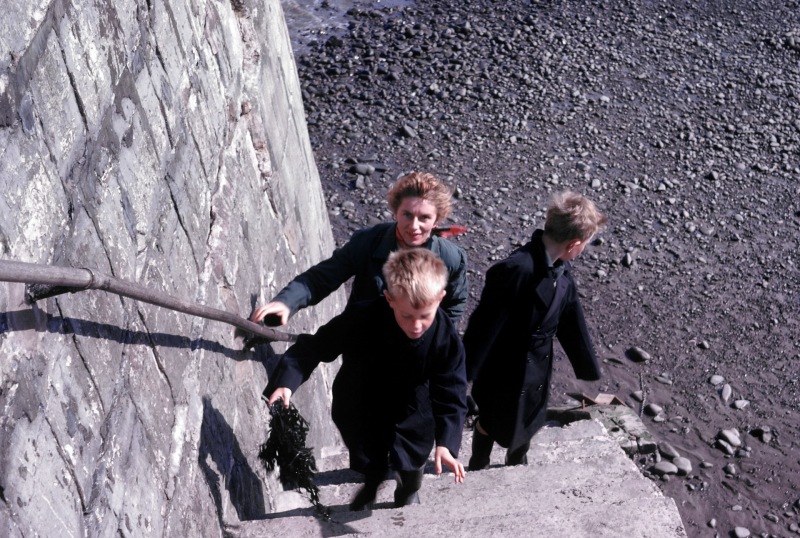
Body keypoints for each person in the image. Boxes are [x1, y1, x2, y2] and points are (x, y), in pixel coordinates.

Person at [265, 248, 467, 510]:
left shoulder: (446, 338)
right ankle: (373, 480)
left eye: (424, 316)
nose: (416, 326)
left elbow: (452, 391)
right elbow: (316, 346)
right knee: (368, 455)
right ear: (390, 298)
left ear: (440, 298)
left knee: (411, 461)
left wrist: (446, 444)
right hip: (362, 401)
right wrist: (286, 382)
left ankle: (407, 491)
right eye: (406, 316)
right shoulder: (362, 317)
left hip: (414, 411)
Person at [463, 190, 607, 470]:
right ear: (574, 244)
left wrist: (586, 366)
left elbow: (570, 318)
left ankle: (518, 466)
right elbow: (482, 328)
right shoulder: (514, 271)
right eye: (587, 244)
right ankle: (478, 463)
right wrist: (462, 378)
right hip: (504, 366)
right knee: (491, 420)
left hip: (537, 365)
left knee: (530, 419)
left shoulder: (561, 270)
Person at [250, 172, 468, 326]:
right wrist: (286, 303)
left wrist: (430, 336)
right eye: (407, 215)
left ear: (437, 220)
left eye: (424, 218)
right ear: (395, 212)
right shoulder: (369, 241)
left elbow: (455, 303)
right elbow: (321, 278)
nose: (414, 226)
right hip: (362, 346)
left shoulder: (451, 259)